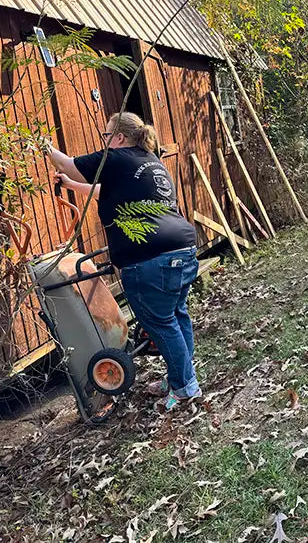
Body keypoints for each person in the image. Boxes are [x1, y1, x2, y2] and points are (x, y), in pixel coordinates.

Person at [48, 112, 201, 411]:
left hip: (150, 259)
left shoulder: (116, 158)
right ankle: (180, 378)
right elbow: (105, 191)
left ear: (118, 137)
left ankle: (185, 387)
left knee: (161, 323)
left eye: (106, 136)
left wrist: (40, 147)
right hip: (182, 250)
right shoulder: (149, 163)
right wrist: (70, 185)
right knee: (176, 316)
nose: (104, 142)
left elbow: (69, 164)